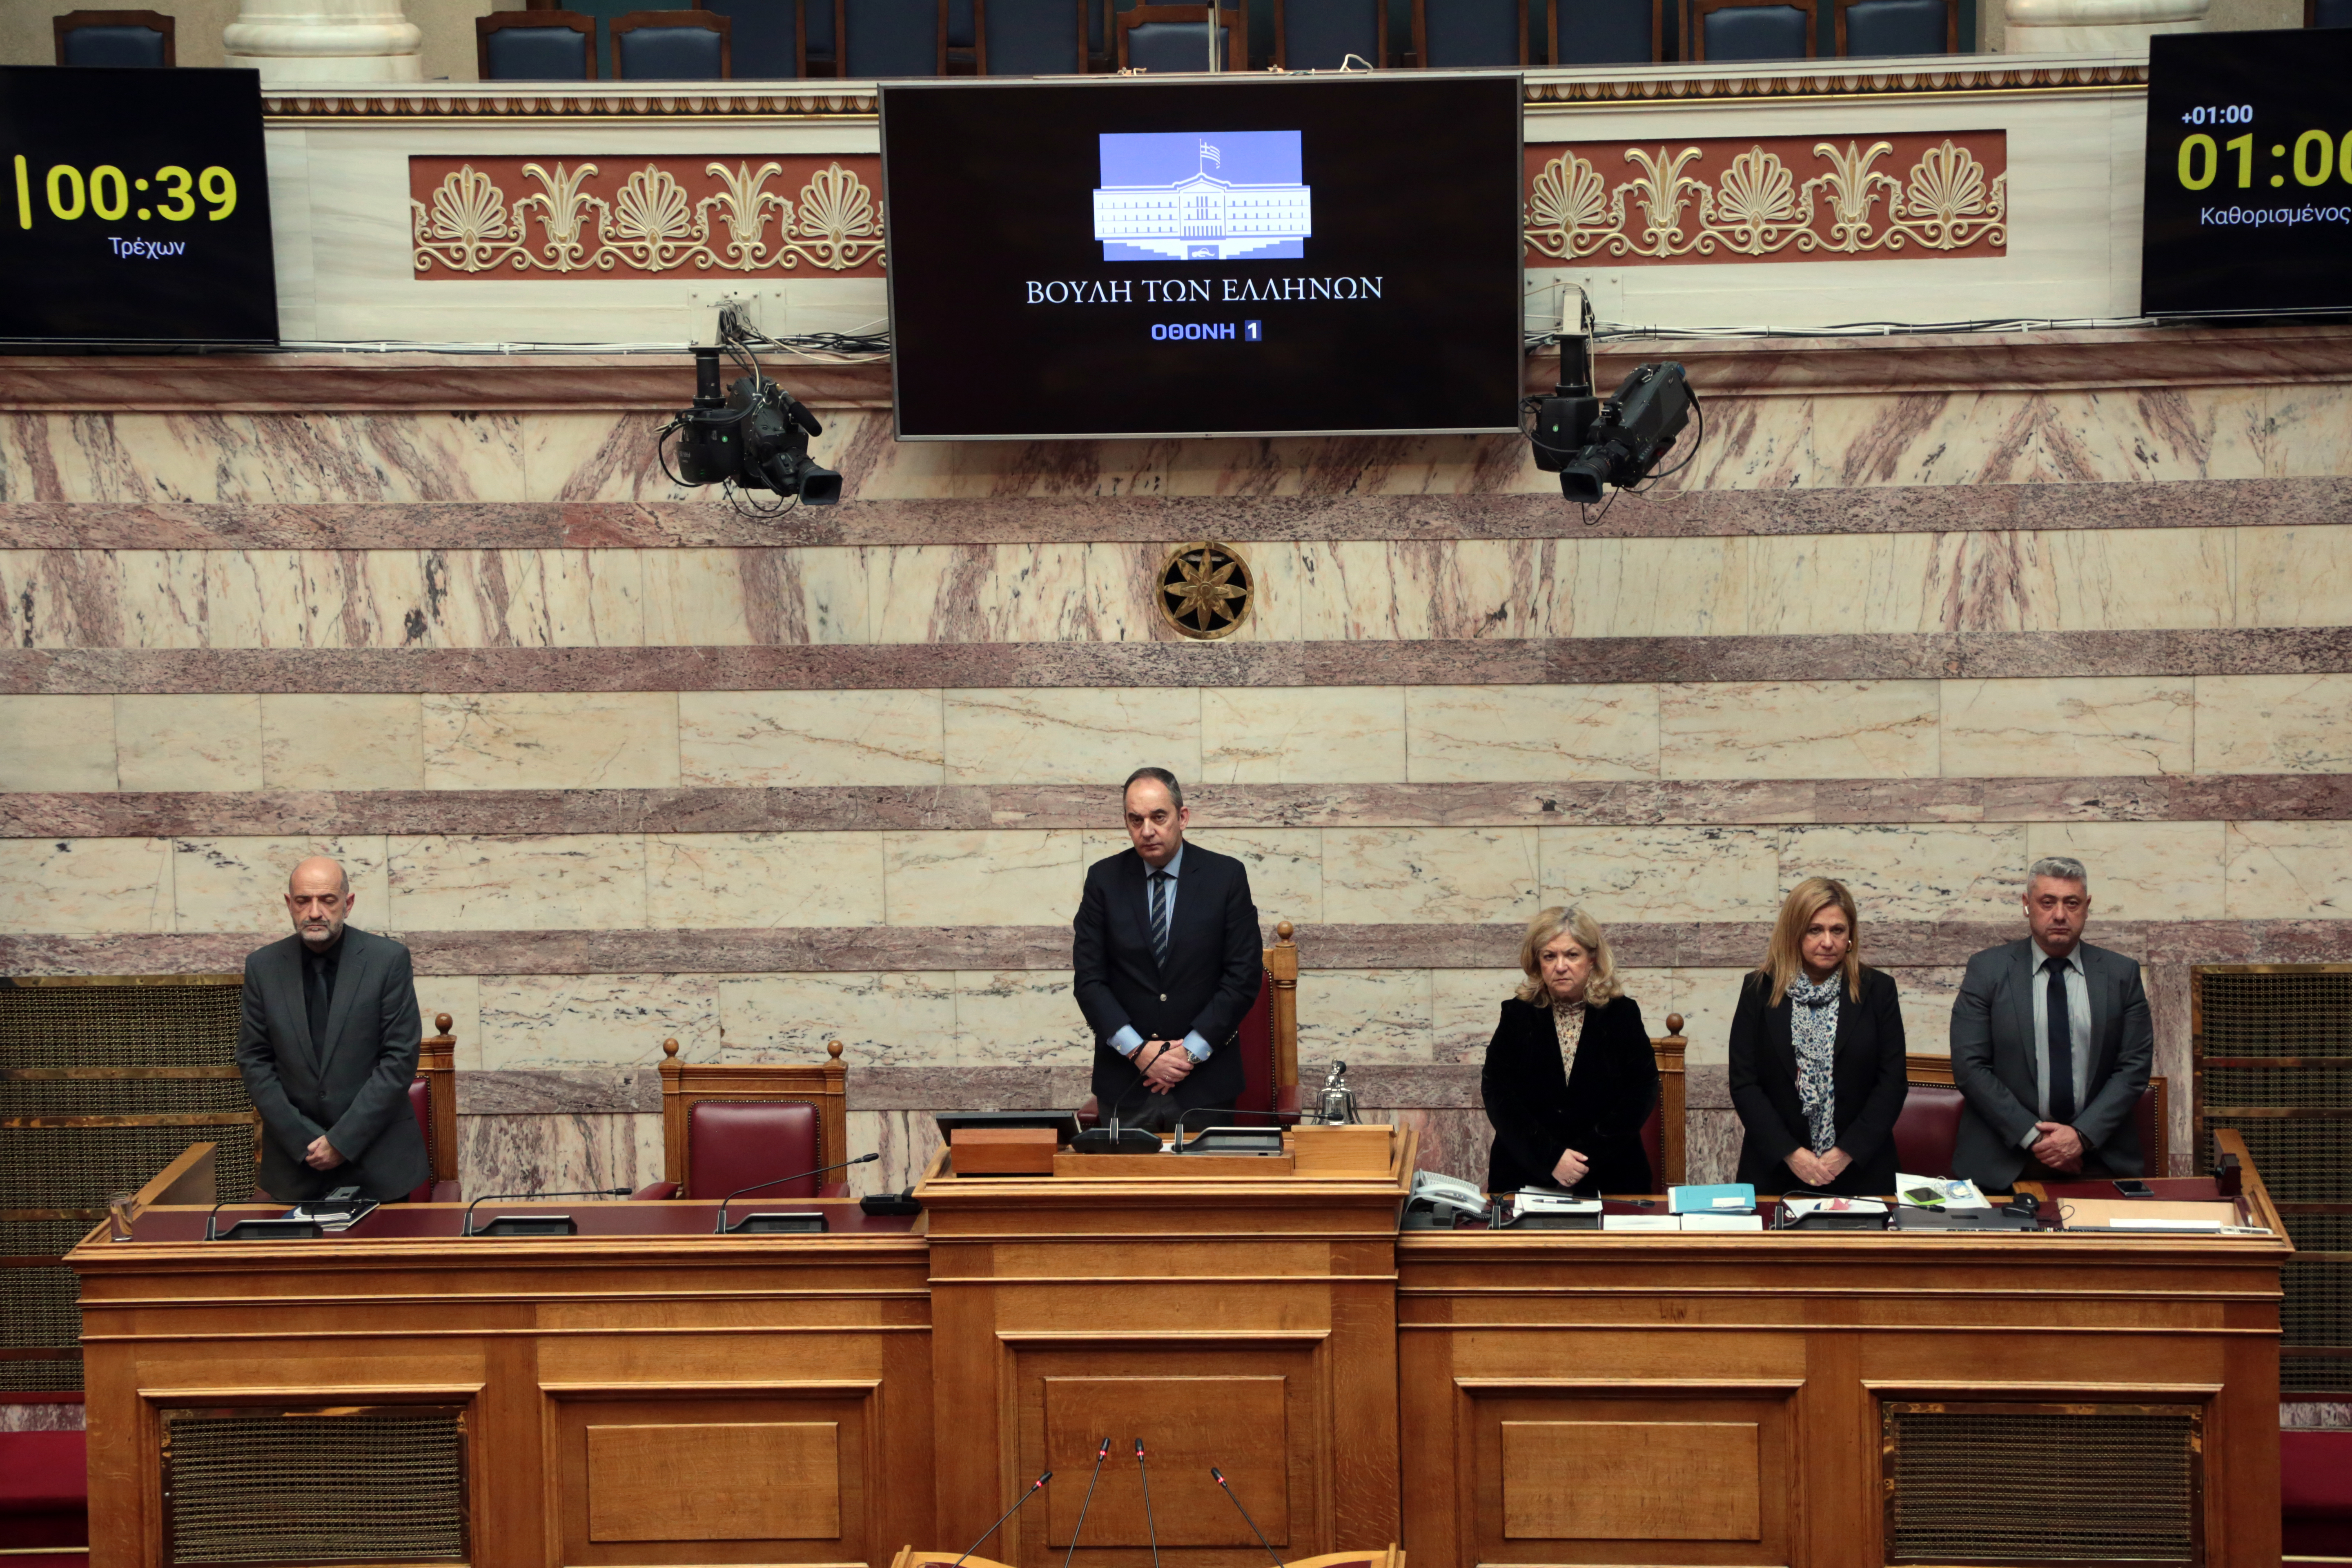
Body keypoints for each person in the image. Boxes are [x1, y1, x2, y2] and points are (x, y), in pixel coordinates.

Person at [1072, 768, 1262, 1133]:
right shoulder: (1103, 880)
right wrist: (1139, 1053)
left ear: (1183, 817)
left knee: (1207, 1190)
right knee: (1126, 1190)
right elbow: (1090, 981)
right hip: (1126, 1085)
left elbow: (1242, 977)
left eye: (1159, 817)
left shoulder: (1226, 877)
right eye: (1135, 819)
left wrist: (1187, 1054)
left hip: (1205, 1086)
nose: (1147, 831)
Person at [1951, 855, 2153, 1189]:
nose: (2060, 915)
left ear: (2087, 906)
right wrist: (2035, 1138)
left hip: (2098, 1158)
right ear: (2027, 904)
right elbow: (1970, 1067)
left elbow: (2133, 1067)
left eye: (2071, 903)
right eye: (2048, 902)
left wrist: (2082, 1136)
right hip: (2004, 1162)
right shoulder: (1987, 971)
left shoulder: (2121, 974)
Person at [235, 856, 430, 1202]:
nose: (314, 912)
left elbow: (399, 1060)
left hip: (379, 1165)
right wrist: (304, 1141)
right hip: (296, 1167)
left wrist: (342, 1142)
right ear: (289, 905)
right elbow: (254, 1061)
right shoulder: (262, 967)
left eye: (327, 900)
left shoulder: (388, 961)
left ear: (348, 903)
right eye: (303, 901)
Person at [1726, 877, 1909, 1196]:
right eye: (1815, 930)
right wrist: (1792, 1155)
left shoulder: (1878, 990)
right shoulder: (1759, 990)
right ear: (1794, 933)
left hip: (1862, 1171)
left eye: (1837, 930)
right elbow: (1745, 1083)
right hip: (1776, 1170)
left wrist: (1845, 1154)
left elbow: (1892, 1083)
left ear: (1850, 935)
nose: (1828, 942)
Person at [1479, 905, 1659, 1195]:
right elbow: (1498, 1093)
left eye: (1572, 955)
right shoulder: (1516, 1015)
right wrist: (1551, 1158)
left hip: (1609, 1176)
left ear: (1592, 959)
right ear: (1538, 962)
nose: (1560, 966)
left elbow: (1641, 1092)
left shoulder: (1623, 1014)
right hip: (1526, 1175)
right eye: (1550, 956)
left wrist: (1580, 1160)